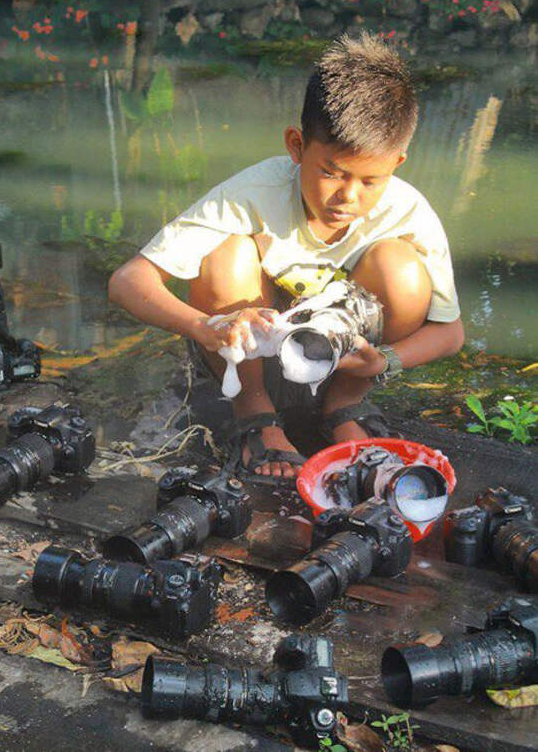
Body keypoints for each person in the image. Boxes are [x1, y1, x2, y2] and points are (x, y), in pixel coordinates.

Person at [108, 32, 464, 486]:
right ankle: (256, 416)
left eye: (370, 181)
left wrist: (384, 361)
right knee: (227, 252)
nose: (347, 197)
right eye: (331, 173)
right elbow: (127, 281)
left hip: (344, 363)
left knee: (403, 269)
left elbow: (450, 333)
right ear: (296, 146)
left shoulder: (409, 212)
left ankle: (344, 406)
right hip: (250, 361)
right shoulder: (254, 193)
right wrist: (204, 326)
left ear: (397, 162)